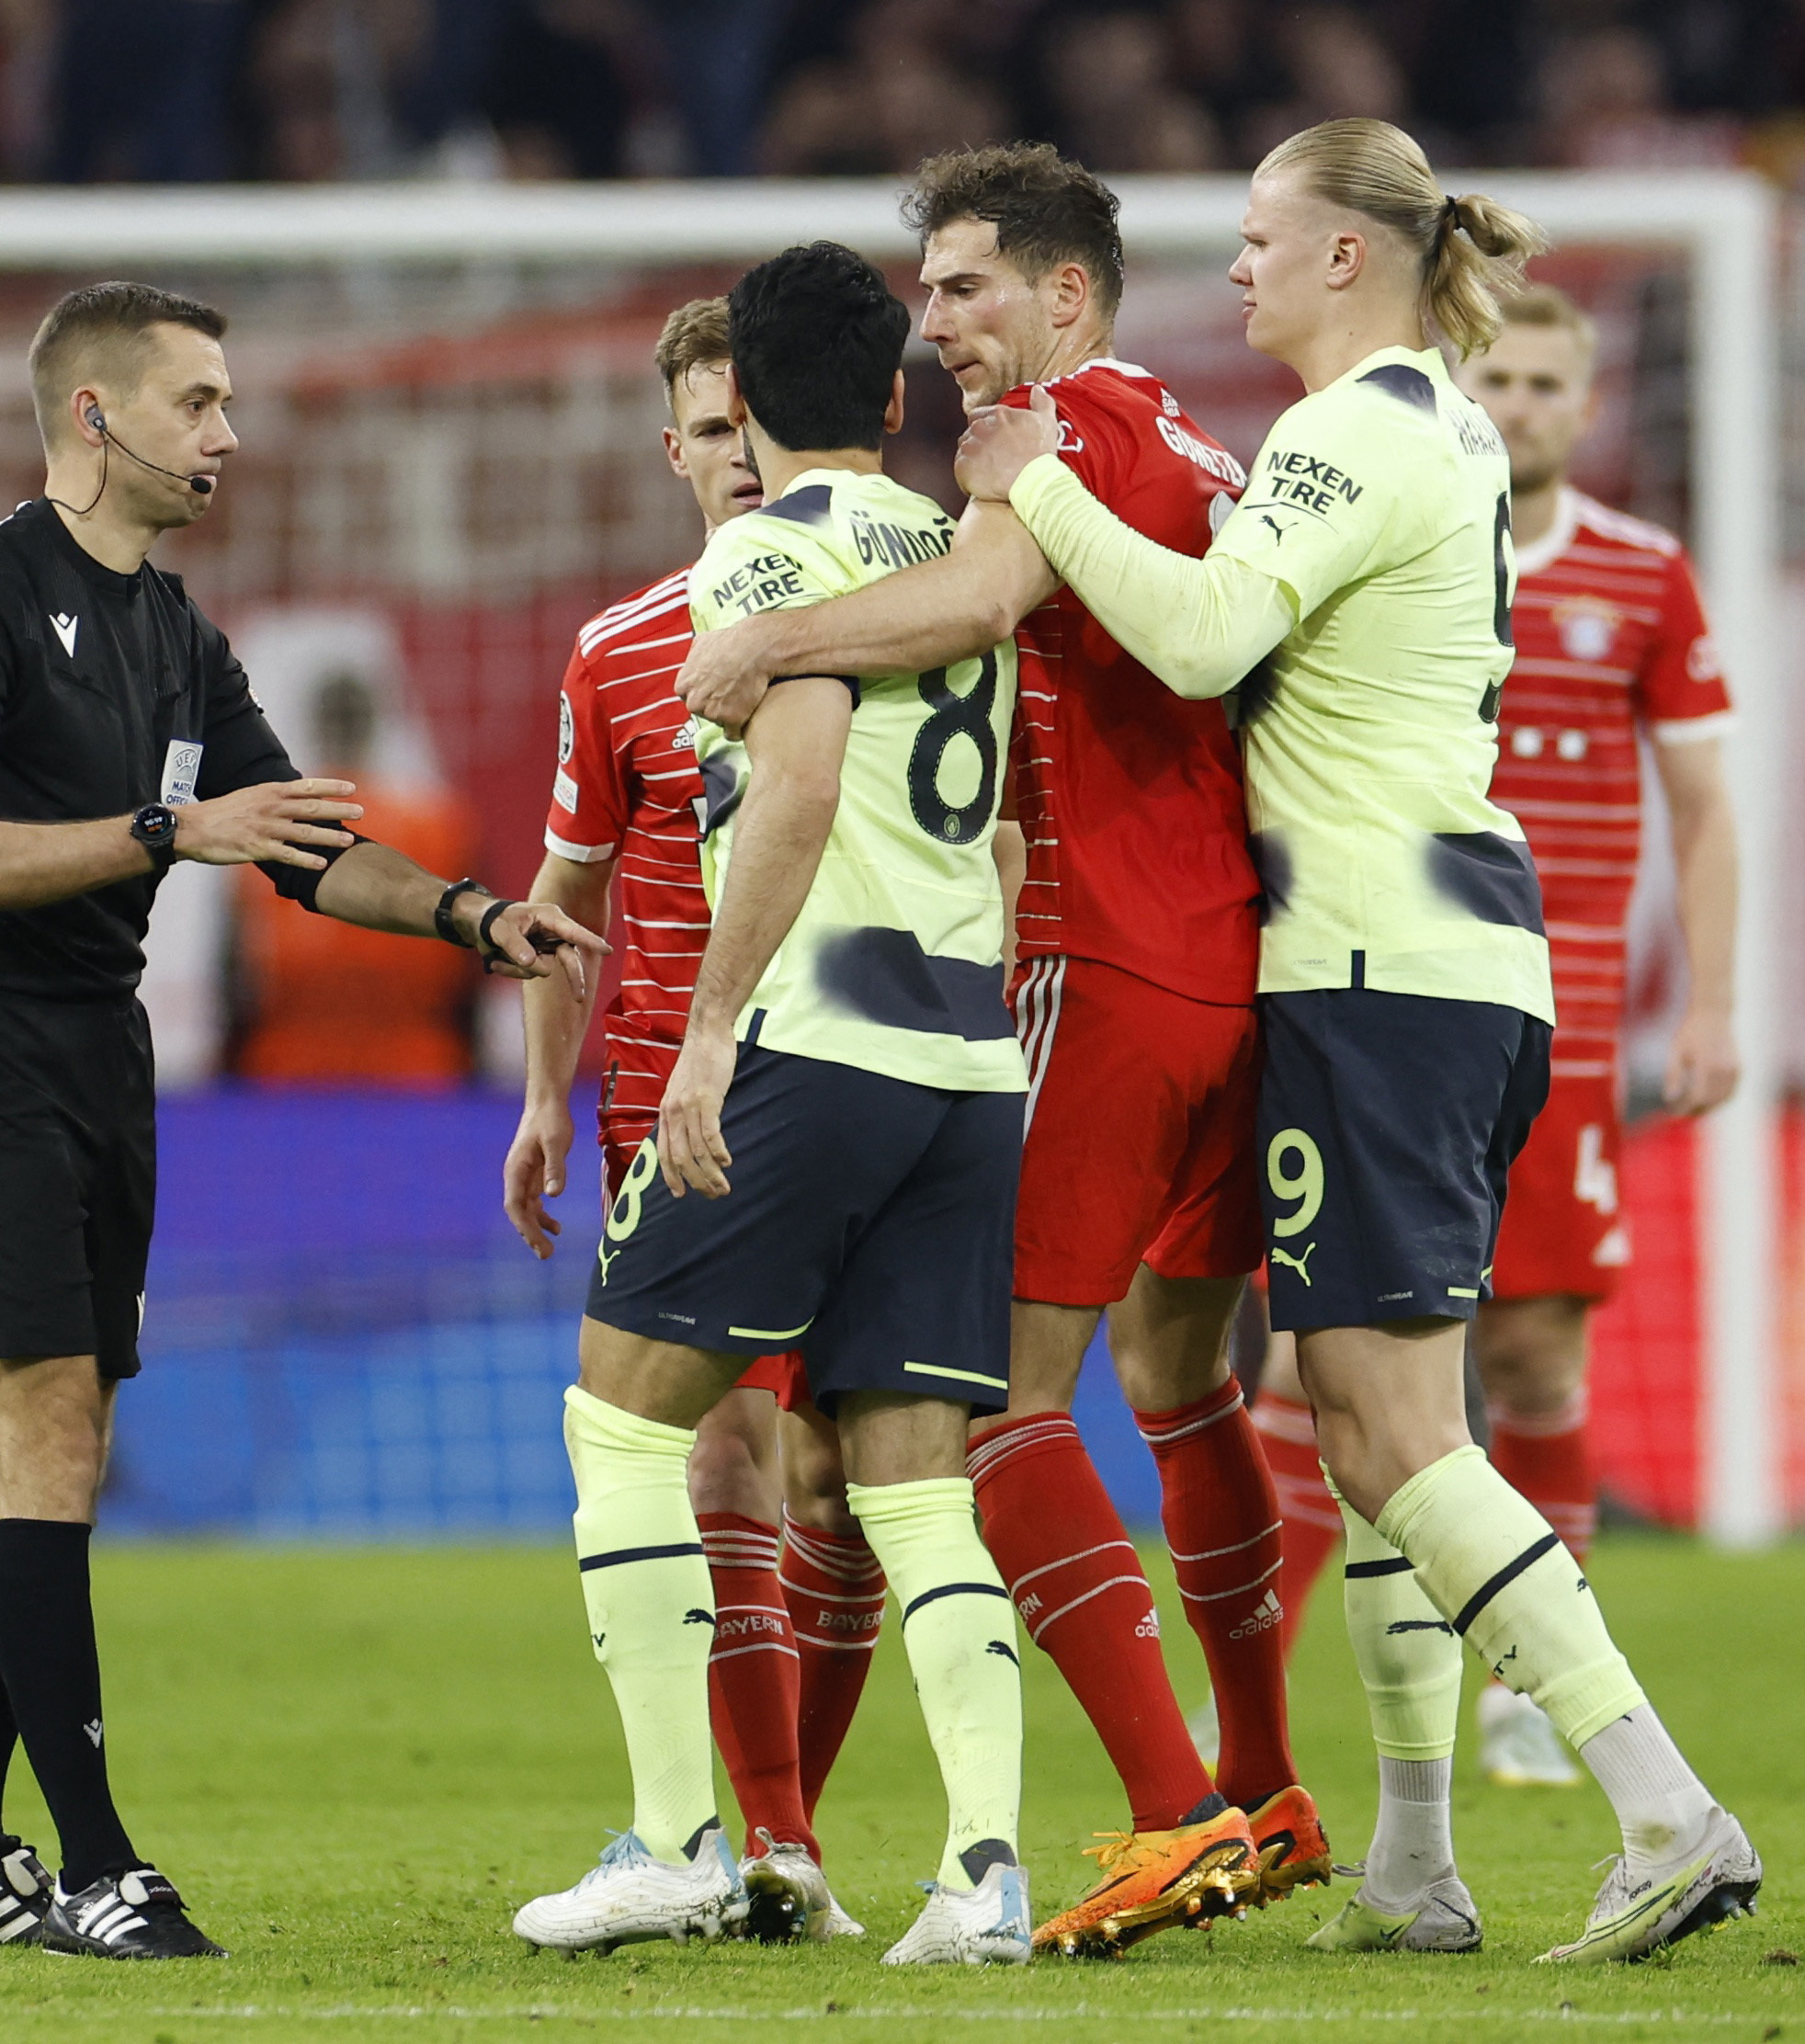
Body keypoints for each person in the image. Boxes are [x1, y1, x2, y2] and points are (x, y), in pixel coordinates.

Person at [954, 119, 1762, 1964]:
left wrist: (1037, 484)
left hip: (1381, 972)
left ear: (1343, 257)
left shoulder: (1356, 430)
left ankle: (1659, 1803)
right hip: (1448, 964)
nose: (1230, 268)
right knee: (1353, 1410)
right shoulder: (1439, 435)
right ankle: (1410, 1855)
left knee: (1391, 1427)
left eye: (1256, 237)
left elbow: (1196, 637)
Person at [0, 279, 601, 1961]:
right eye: (197, 400)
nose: (226, 433)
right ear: (93, 415)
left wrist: (478, 920)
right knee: (49, 1425)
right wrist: (159, 828)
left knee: (53, 1447)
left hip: (96, 1048)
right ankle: (104, 1860)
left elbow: (303, 839)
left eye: (228, 402)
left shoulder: (179, 630)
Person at [675, 141, 1320, 1960]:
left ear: (1066, 294)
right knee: (1179, 1382)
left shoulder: (1070, 433)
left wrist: (773, 638)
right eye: (928, 291)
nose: (938, 320)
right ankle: (1261, 1781)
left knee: (987, 1408)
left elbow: (964, 607)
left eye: (968, 285)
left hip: (1099, 965)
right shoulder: (1187, 443)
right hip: (1223, 970)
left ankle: (1174, 1804)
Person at [514, 241, 1030, 1967]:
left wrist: (714, 1027)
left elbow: (795, 779)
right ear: (894, 396)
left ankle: (672, 1834)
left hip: (818, 1043)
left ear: (757, 410)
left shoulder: (764, 555)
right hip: (967, 1060)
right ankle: (983, 1870)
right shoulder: (959, 556)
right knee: (912, 1481)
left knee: (620, 1421)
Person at [1254, 284, 1742, 1791]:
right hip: (1382, 965)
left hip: (1555, 1005)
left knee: (1528, 1351)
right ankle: (1255, 1706)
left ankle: (1531, 1692)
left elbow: (1707, 803)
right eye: (1503, 376)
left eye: (1549, 380)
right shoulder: (1410, 534)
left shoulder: (1644, 576)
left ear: (1585, 405)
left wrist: (1711, 999)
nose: (1522, 403)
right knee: (1314, 1362)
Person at [501, 295, 868, 1941]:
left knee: (850, 1473)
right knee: (715, 1446)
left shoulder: (895, 604)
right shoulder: (622, 647)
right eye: (706, 430)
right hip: (675, 1104)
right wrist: (540, 1096)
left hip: (866, 1083)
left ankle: (786, 1827)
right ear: (675, 451)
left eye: (752, 420)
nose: (736, 452)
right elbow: (563, 892)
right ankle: (758, 1841)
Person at [230, 670, 482, 1082]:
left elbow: (238, 984)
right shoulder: (441, 824)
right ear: (375, 724)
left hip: (288, 1077)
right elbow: (473, 972)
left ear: (315, 727)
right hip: (420, 1073)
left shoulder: (269, 825)